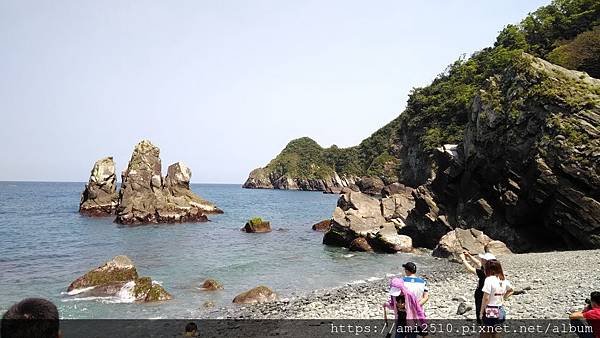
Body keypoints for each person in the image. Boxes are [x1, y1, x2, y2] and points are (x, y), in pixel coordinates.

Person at [459, 251, 496, 324]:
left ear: (486, 261)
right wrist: (469, 256)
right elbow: (478, 263)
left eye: (483, 259)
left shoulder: (484, 272)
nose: (481, 259)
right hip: (490, 293)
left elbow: (471, 269)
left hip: (481, 293)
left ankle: (482, 323)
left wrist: (463, 259)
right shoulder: (492, 270)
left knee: (481, 308)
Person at [480, 260, 513, 338]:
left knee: (485, 332)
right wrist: (503, 298)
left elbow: (486, 298)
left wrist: (481, 312)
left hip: (490, 309)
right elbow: (511, 290)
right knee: (496, 332)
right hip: (500, 309)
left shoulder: (489, 280)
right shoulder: (503, 280)